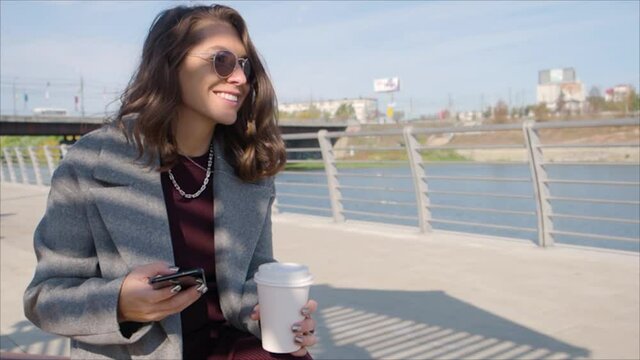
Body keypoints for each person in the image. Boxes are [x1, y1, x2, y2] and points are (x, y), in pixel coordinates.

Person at [23, 4, 318, 359]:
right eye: (222, 60)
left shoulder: (247, 166)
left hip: (233, 347)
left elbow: (252, 277)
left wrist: (268, 313)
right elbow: (44, 298)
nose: (240, 78)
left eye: (244, 64)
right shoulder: (90, 163)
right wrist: (120, 304)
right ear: (171, 62)